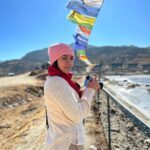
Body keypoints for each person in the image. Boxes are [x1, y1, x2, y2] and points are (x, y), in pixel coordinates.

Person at [44, 43, 100, 150]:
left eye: (71, 58)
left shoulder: (65, 81)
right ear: (55, 61)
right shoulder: (56, 81)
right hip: (65, 144)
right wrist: (90, 90)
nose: (69, 63)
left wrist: (85, 91)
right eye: (64, 58)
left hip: (70, 140)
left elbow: (72, 102)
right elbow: (77, 115)